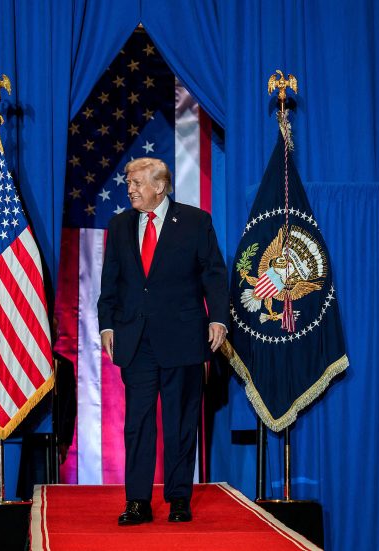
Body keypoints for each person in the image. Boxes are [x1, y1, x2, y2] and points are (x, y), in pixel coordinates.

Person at [98, 157, 229, 525]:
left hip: (184, 338)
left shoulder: (195, 222)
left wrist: (218, 317)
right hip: (135, 340)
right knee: (137, 424)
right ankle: (137, 501)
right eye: (128, 181)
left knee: (181, 421)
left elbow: (214, 274)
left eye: (137, 182)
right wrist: (106, 325)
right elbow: (111, 282)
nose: (130, 188)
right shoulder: (120, 224)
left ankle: (178, 499)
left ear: (160, 186)